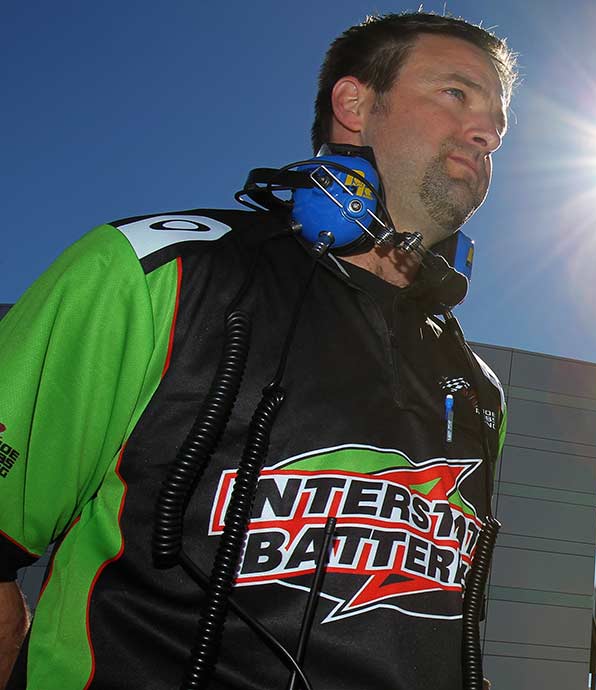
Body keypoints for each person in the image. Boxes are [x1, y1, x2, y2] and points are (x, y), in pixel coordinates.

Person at [0, 11, 516, 690]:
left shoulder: (478, 390)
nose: (486, 133)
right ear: (354, 105)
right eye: (457, 94)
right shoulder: (152, 274)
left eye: (498, 128)